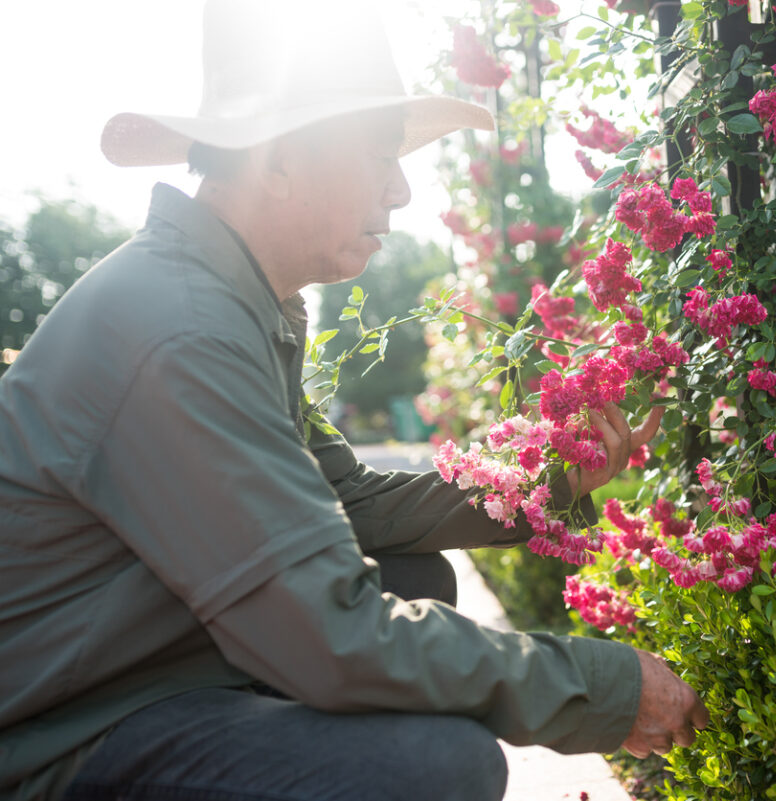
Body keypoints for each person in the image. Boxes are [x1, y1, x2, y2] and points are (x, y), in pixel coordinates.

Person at [0, 2, 709, 799]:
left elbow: (351, 502)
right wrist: (602, 687)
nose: (402, 191)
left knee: (413, 577)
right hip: (57, 742)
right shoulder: (183, 330)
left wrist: (553, 483)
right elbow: (330, 633)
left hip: (144, 677)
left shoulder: (227, 302)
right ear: (275, 161)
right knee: (436, 765)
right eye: (380, 153)